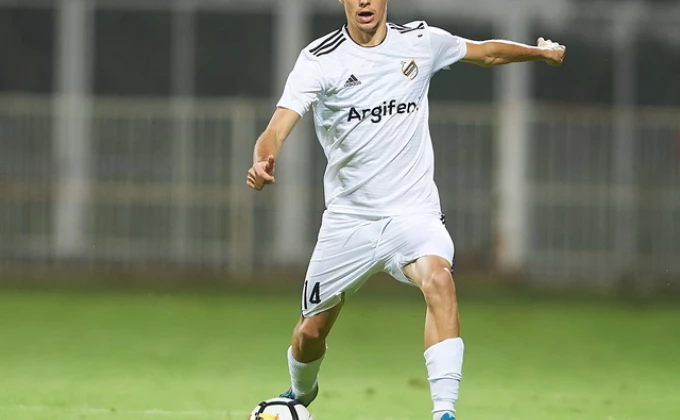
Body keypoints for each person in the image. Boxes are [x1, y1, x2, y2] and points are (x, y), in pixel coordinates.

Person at [246, 0, 566, 419]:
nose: (364, 1)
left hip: (414, 213)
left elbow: (486, 52)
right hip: (349, 221)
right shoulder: (319, 59)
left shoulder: (420, 41)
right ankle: (300, 393)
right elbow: (276, 128)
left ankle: (444, 412)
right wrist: (262, 159)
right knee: (310, 332)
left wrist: (539, 52)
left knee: (439, 281)